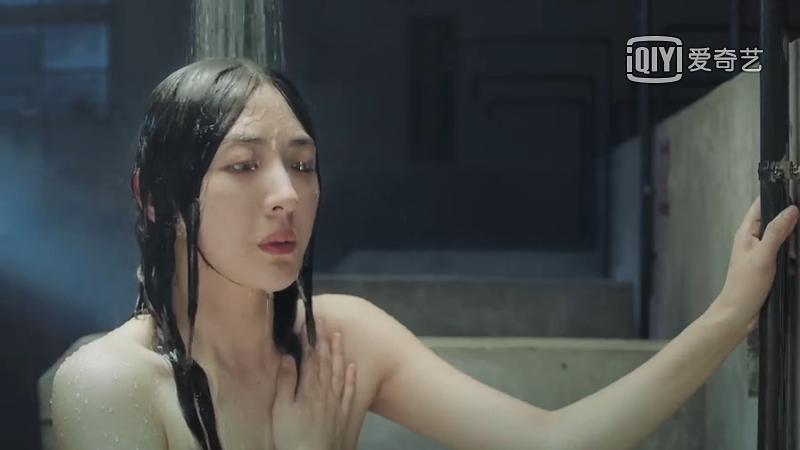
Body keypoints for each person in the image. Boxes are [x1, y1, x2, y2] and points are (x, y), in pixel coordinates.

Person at [50, 57, 799, 450]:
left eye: (303, 164)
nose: (287, 194)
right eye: (244, 166)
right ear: (156, 198)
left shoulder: (342, 339)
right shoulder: (111, 383)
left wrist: (731, 313)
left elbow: (552, 440)